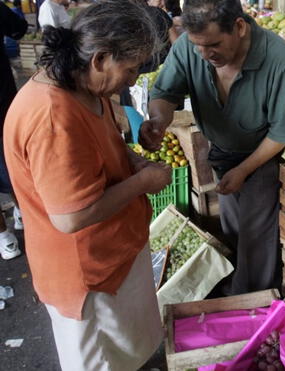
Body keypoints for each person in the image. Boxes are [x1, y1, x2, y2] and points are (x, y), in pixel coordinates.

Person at [3, 1, 172, 369]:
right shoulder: (52, 116)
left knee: (130, 355)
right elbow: (70, 216)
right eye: (129, 70)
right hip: (86, 275)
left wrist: (135, 160)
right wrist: (143, 181)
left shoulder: (87, 89)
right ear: (99, 59)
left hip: (114, 256)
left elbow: (105, 148)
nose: (131, 81)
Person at [141, 0, 285, 296]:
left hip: (264, 155)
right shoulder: (189, 49)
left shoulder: (278, 57)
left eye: (214, 44)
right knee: (233, 230)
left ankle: (254, 304)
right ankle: (237, 288)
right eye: (198, 46)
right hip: (222, 153)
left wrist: (244, 169)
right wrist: (158, 120)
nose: (205, 55)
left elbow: (283, 132)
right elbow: (166, 93)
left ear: (239, 27)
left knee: (257, 236)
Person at [0, 1, 27, 260]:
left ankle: (5, 237)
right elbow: (19, 29)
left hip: (3, 100)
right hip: (2, 101)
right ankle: (22, 216)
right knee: (11, 159)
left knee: (10, 159)